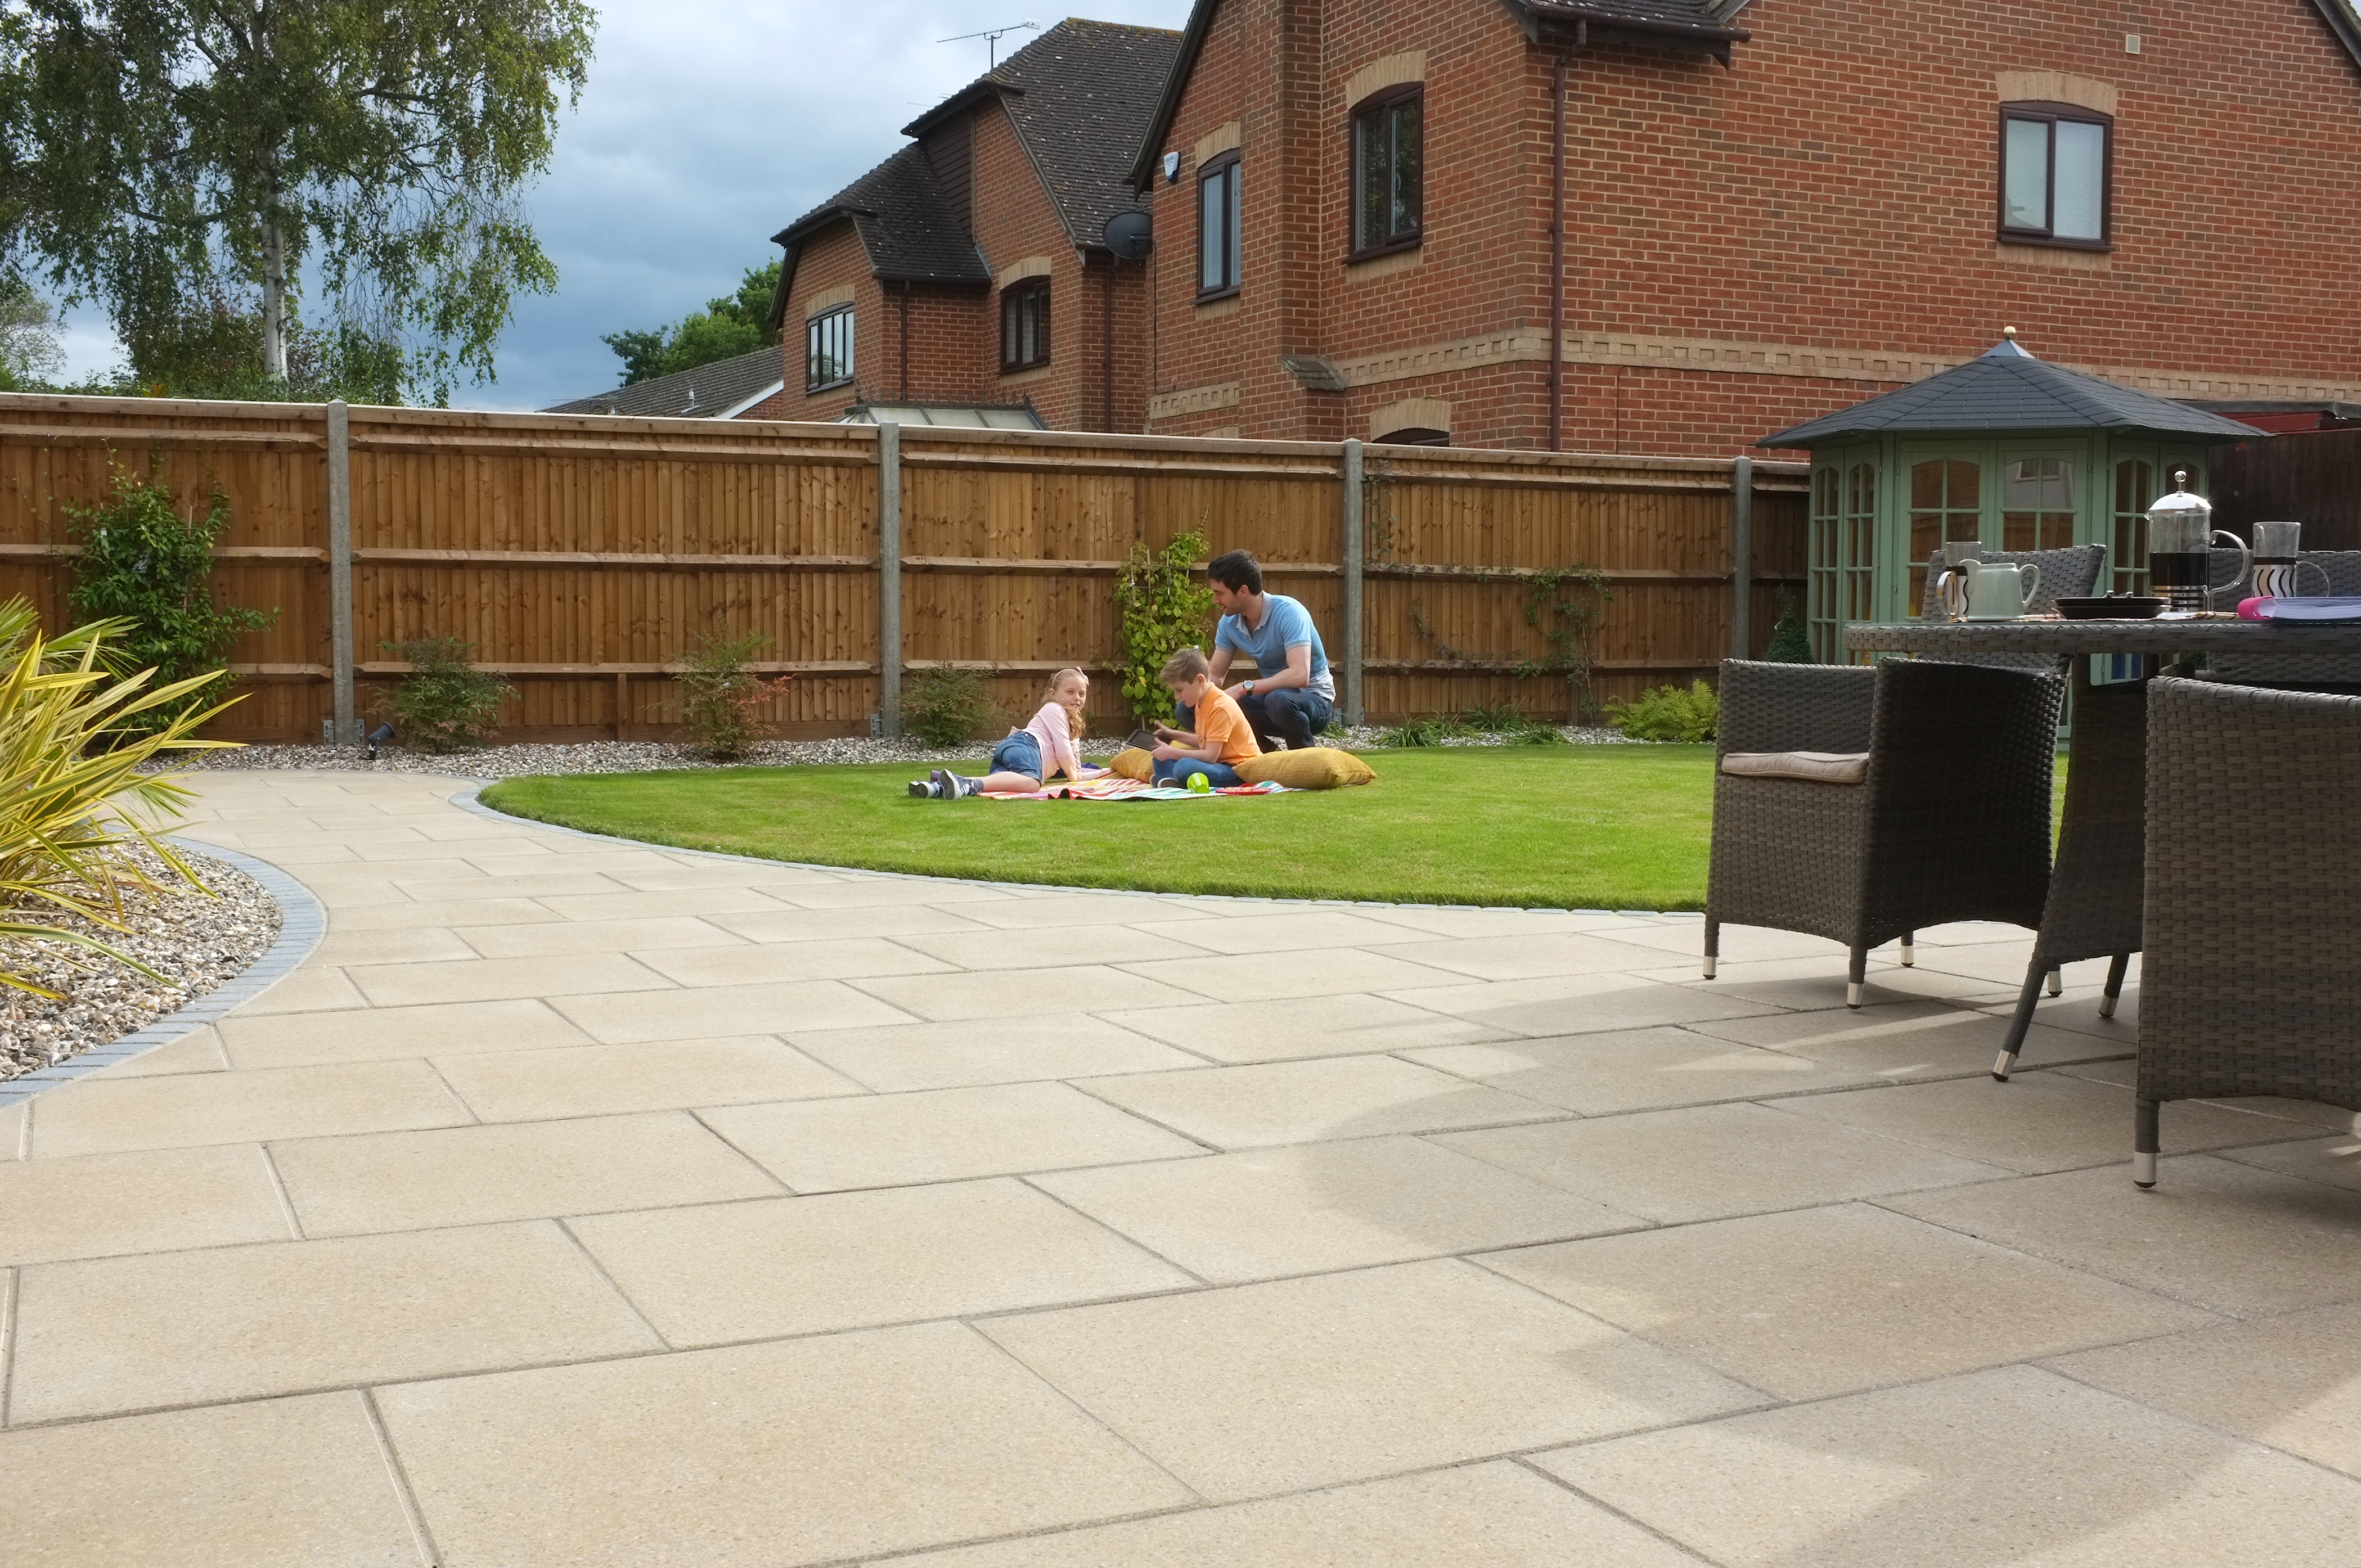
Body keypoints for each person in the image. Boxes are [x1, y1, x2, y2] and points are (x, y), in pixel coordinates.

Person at [1184, 548, 1335, 753]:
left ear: (1243, 591)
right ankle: (1265, 754)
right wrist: (1198, 694)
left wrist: (1243, 687)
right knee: (1188, 709)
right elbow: (1216, 675)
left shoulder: (1290, 612)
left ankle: (1305, 763)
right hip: (1274, 702)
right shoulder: (1229, 623)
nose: (1215, 601)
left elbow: (1300, 675)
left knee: (1279, 700)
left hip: (1315, 702)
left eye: (1220, 593)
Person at [912, 666, 1101, 799]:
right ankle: (969, 785)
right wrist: (1074, 776)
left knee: (995, 784)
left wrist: (1108, 772)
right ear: (1053, 694)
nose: (1077, 698)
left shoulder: (1073, 728)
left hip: (1014, 754)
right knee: (1032, 784)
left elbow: (1076, 771)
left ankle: (937, 786)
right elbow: (1064, 754)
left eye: (1082, 693)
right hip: (1026, 746)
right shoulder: (1054, 709)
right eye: (1070, 692)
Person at [1150, 646, 1260, 788]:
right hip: (1218, 764)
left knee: (1184, 765)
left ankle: (1170, 778)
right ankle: (1172, 780)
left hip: (1236, 770)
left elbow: (1210, 755)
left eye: (1180, 690)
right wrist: (1172, 735)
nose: (1177, 697)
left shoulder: (1221, 707)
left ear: (1200, 680)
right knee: (1160, 757)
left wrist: (1172, 752)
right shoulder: (1201, 701)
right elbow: (1206, 741)